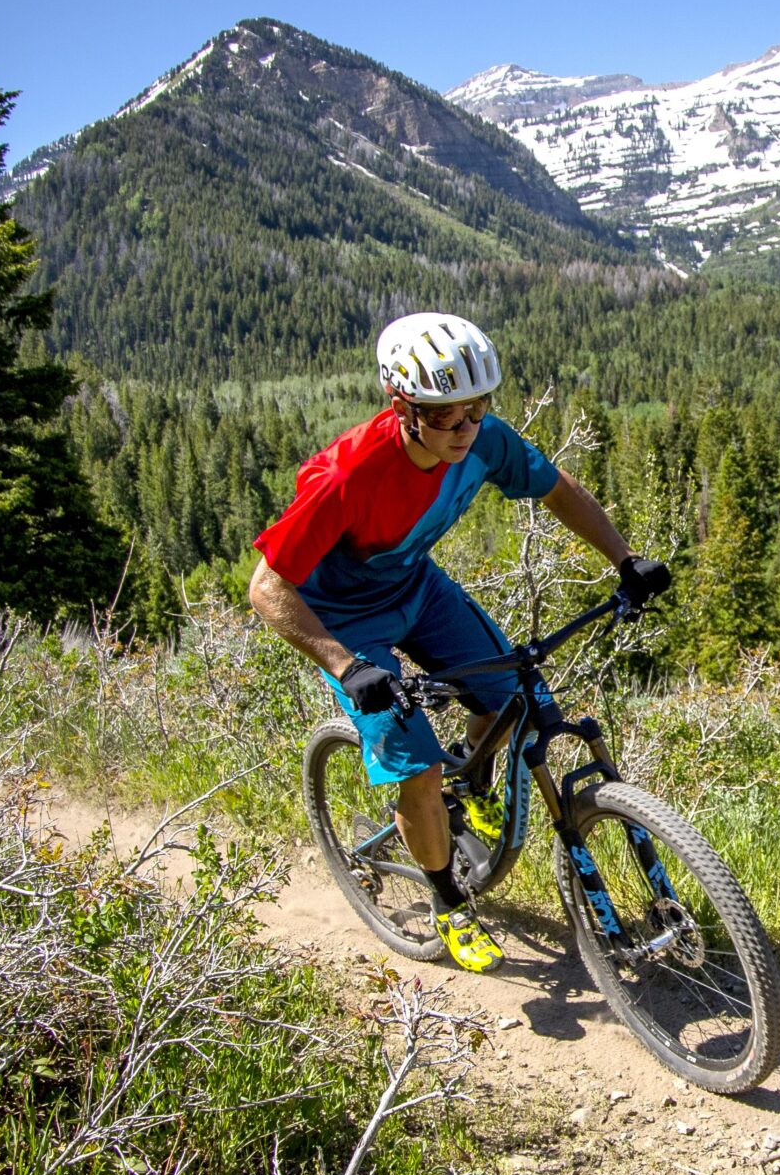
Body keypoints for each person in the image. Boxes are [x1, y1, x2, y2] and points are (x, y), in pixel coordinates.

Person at [248, 311, 670, 970]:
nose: (465, 430)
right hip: (345, 619)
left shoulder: (484, 442)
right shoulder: (349, 476)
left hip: (415, 586)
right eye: (446, 416)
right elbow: (268, 587)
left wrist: (624, 558)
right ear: (403, 407)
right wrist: (346, 664)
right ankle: (449, 905)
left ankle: (469, 787)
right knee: (418, 767)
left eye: (476, 411)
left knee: (513, 694)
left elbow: (558, 490)